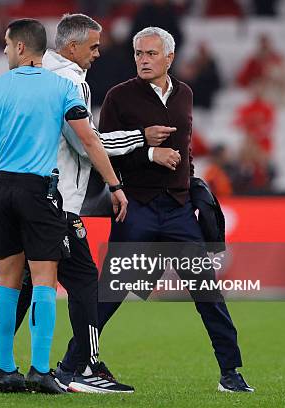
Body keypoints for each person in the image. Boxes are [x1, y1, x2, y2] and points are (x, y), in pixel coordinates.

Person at [0, 14, 142, 394]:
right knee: (79, 281)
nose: (97, 54)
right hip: (53, 199)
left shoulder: (12, 82)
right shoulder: (66, 82)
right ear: (71, 46)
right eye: (93, 46)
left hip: (12, 189)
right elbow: (88, 142)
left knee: (21, 282)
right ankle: (78, 367)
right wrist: (140, 144)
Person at [95, 27, 254, 393]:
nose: (143, 60)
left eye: (151, 53)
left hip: (179, 209)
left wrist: (190, 183)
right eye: (138, 53)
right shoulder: (118, 97)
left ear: (170, 57)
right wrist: (150, 153)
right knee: (112, 293)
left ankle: (231, 372)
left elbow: (185, 147)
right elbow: (103, 150)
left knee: (207, 293)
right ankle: (74, 364)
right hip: (137, 207)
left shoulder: (185, 93)